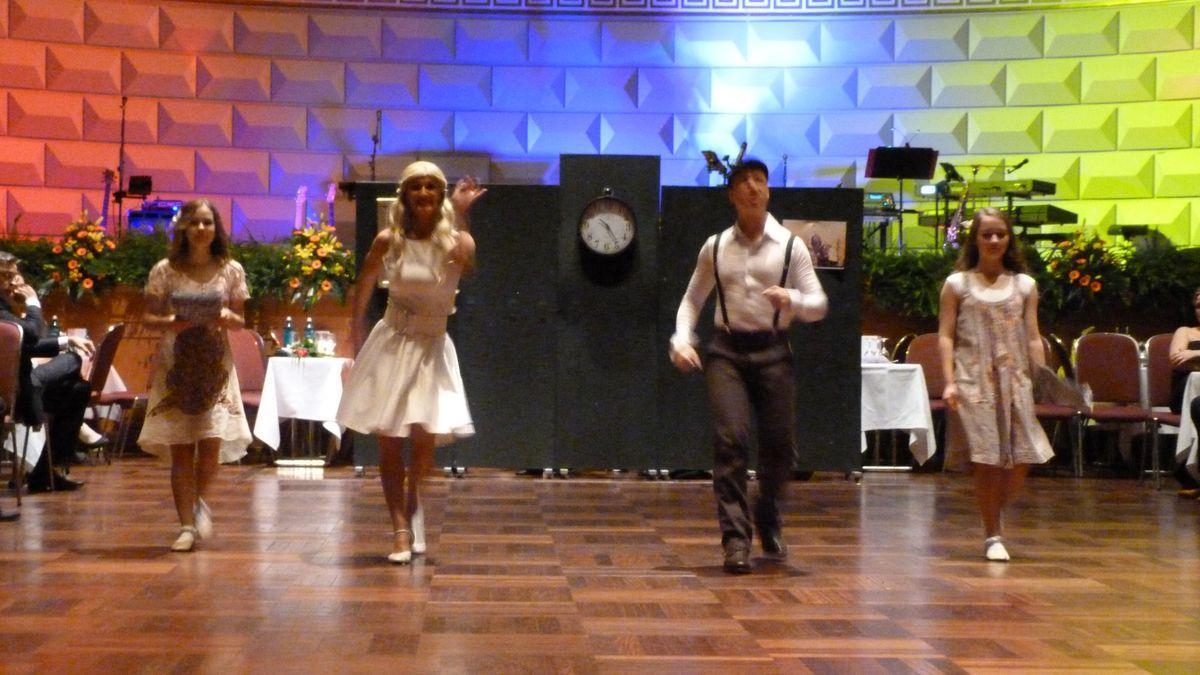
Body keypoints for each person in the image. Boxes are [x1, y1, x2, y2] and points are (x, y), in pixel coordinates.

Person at [669, 159, 828, 574]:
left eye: (759, 181)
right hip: (727, 352)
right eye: (743, 182)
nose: (752, 188)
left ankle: (768, 513)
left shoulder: (790, 245)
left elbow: (819, 303)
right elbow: (692, 300)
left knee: (780, 448)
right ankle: (736, 541)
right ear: (732, 195)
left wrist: (793, 299)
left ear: (769, 191)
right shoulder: (716, 246)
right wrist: (681, 339)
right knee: (731, 441)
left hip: (773, 349)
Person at [337, 160, 485, 564]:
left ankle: (413, 501)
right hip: (394, 343)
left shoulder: (456, 241)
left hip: (431, 346)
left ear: (440, 195)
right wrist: (354, 339)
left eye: (430, 187)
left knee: (423, 441)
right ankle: (399, 529)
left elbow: (466, 262)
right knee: (390, 439)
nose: (423, 193)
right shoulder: (390, 239)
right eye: (415, 187)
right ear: (404, 195)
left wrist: (461, 213)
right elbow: (364, 287)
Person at [938, 207, 1054, 562]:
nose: (993, 240)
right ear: (975, 239)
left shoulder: (1024, 285)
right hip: (974, 380)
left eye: (1000, 234)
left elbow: (1032, 336)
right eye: (986, 234)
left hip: (1015, 378)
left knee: (1024, 456)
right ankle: (993, 533)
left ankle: (992, 510)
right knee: (987, 460)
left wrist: (1041, 376)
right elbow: (946, 335)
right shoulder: (957, 284)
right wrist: (949, 381)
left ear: (1009, 239)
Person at [138, 199, 252, 552]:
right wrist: (173, 321)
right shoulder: (165, 270)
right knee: (182, 448)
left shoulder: (230, 270)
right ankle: (185, 525)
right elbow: (148, 318)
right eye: (195, 223)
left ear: (216, 228)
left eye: (207, 222)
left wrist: (228, 318)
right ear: (184, 228)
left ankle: (201, 500)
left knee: (211, 442)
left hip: (215, 363)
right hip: (177, 362)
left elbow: (241, 320)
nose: (201, 229)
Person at [0, 251, 95, 493]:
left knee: (77, 389)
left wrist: (66, 340)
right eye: (7, 277)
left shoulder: (5, 307)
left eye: (14, 276)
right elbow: (31, 336)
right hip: (13, 392)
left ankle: (45, 473)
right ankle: (74, 360)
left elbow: (25, 344)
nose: (14, 283)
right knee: (73, 361)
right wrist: (32, 302)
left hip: (24, 385)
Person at [1167, 287, 1200, 497]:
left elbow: (1188, 357)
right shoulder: (1185, 331)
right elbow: (1176, 359)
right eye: (1198, 306)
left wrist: (1194, 354)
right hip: (1185, 389)